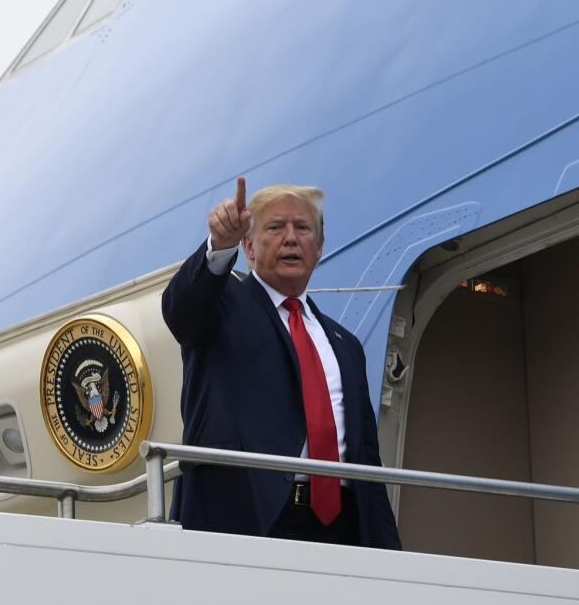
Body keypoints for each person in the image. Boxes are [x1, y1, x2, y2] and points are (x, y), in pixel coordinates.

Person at [162, 177, 401, 550]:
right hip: (248, 521)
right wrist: (218, 249)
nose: (291, 238)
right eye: (275, 227)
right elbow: (182, 310)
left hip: (342, 529)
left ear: (319, 248)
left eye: (303, 228)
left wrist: (390, 556)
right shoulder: (223, 307)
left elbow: (367, 461)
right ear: (249, 246)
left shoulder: (346, 346)